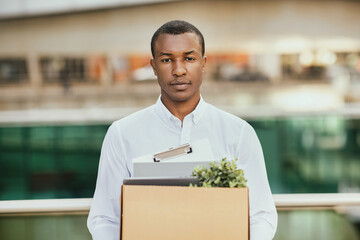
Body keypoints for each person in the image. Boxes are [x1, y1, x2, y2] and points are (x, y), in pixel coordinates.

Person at [87, 20, 277, 240]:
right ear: (154, 66)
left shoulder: (239, 133)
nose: (178, 70)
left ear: (203, 63)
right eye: (167, 60)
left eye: (189, 58)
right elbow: (105, 218)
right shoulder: (121, 134)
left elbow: (261, 215)